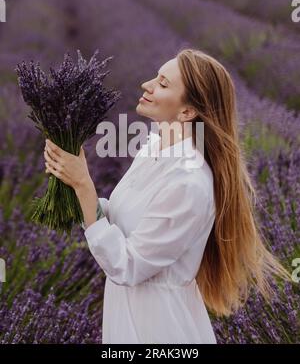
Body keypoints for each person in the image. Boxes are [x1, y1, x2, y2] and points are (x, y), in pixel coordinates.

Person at [44, 48, 290, 344]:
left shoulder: (189, 182)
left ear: (187, 112)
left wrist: (83, 185)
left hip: (158, 329)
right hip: (129, 315)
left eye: (162, 83)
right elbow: (124, 226)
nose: (147, 85)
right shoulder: (154, 149)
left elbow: (128, 265)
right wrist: (72, 179)